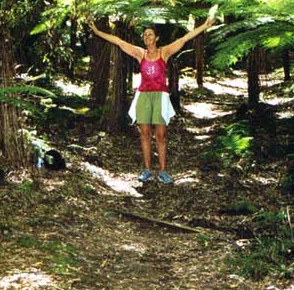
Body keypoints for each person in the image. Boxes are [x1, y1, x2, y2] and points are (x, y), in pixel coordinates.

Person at [90, 17, 215, 184]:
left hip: (160, 96)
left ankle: (163, 171)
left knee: (161, 135)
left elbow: (184, 39)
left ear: (156, 38)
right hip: (143, 96)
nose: (147, 37)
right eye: (145, 35)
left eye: (150, 35)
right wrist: (98, 32)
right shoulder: (140, 54)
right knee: (145, 133)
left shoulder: (165, 52)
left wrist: (204, 26)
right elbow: (119, 42)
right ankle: (147, 169)